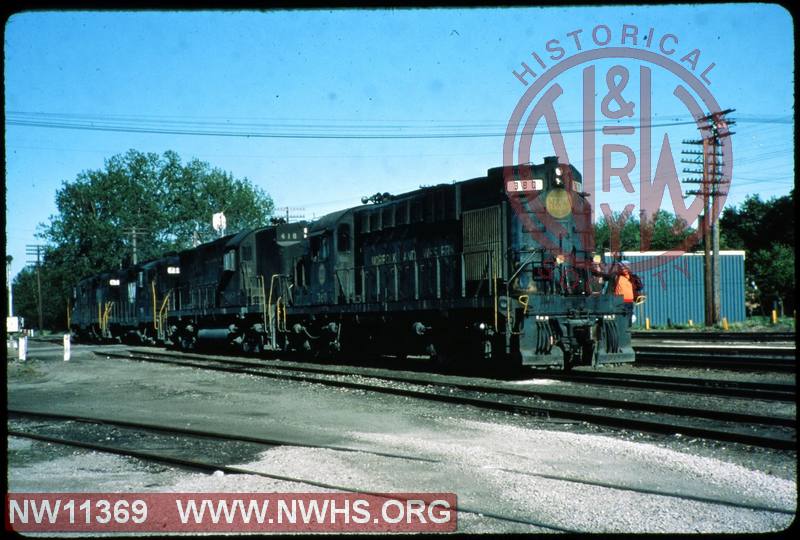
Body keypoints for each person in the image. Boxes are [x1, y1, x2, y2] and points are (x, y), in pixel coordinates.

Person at [614, 261, 635, 326]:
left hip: (627, 301)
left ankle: (626, 329)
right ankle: (623, 329)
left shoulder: (629, 276)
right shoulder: (617, 276)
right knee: (621, 317)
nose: (623, 268)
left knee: (628, 317)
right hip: (620, 300)